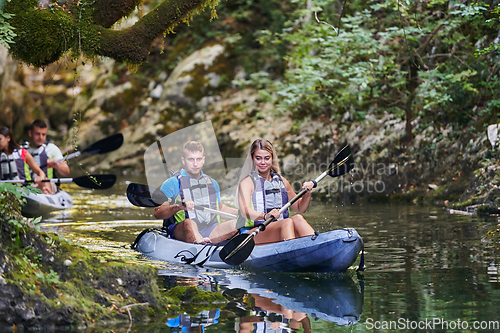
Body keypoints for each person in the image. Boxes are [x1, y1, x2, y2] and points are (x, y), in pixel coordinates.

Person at [153, 141, 239, 244]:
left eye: (198, 159)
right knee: (189, 223)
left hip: (210, 229)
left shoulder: (213, 183)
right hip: (182, 229)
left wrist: (244, 213)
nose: (195, 164)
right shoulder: (171, 183)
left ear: (203, 160)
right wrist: (179, 206)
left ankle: (209, 244)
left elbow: (220, 209)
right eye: (191, 159)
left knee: (236, 224)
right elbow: (158, 213)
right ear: (183, 160)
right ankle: (201, 245)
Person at [236, 139, 315, 244]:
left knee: (298, 218)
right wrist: (265, 216)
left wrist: (307, 193)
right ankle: (293, 252)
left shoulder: (281, 181)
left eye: (267, 158)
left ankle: (318, 246)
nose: (263, 162)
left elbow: (300, 208)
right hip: (252, 234)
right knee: (286, 223)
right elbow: (245, 211)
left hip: (277, 228)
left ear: (272, 158)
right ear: (252, 159)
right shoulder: (247, 182)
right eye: (258, 158)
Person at [26, 120, 70, 194]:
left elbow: (66, 172)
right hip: (27, 185)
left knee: (44, 181)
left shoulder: (51, 148)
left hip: (47, 184)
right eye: (37, 134)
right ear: (30, 133)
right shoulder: (21, 150)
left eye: (43, 134)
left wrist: (57, 165)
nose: (41, 137)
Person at [0, 126, 49, 193]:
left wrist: (40, 178)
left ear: (8, 138)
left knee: (45, 183)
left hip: (23, 189)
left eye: (0, 139)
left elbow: (41, 173)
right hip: (4, 190)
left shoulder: (22, 153)